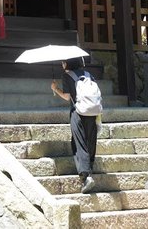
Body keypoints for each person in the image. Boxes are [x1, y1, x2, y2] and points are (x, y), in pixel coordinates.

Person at [50, 57, 98, 194]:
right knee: (90, 140)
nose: (62, 64)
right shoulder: (89, 74)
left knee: (78, 143)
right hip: (93, 111)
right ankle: (90, 169)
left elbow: (67, 96)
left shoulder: (67, 75)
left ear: (68, 63)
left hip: (78, 112)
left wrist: (55, 88)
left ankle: (86, 176)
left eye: (63, 62)